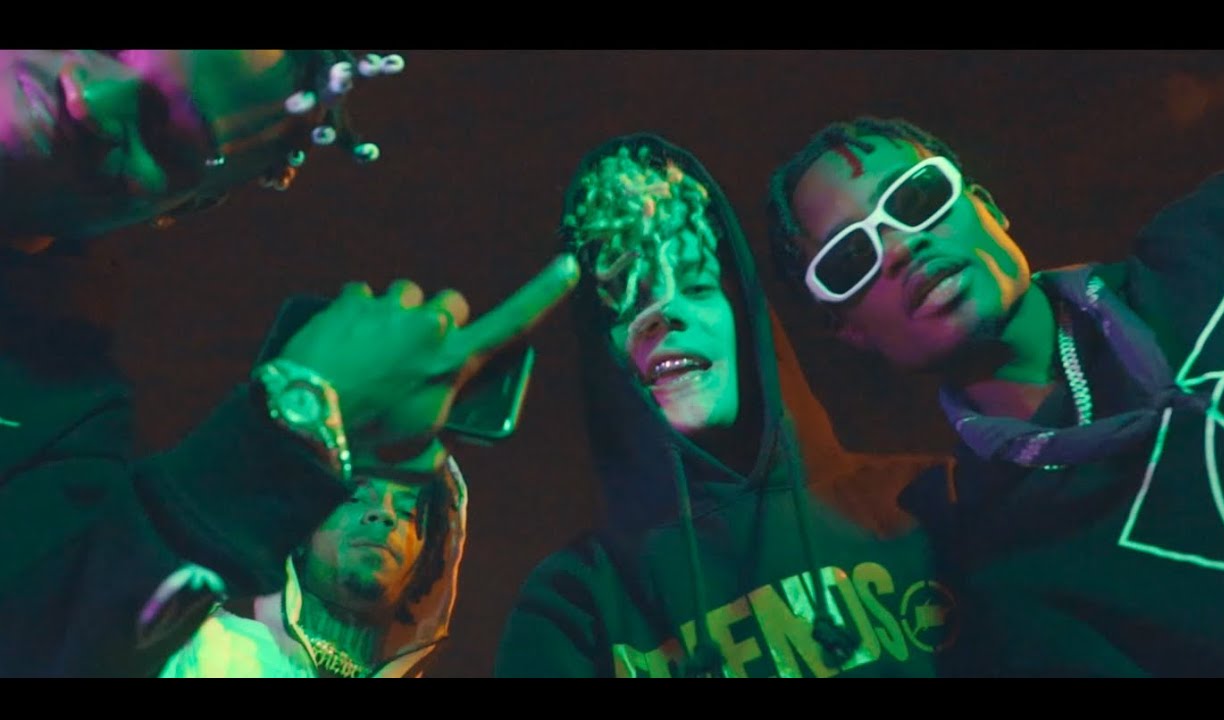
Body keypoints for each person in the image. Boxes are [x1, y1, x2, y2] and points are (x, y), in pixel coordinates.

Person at [0, 49, 579, 677]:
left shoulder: (57, 426)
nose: (90, 99)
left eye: (164, 134)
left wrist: (278, 445)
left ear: (188, 203)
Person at [765, 116, 1224, 676]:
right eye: (849, 258)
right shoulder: (1001, 574)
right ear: (850, 330)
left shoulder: (1222, 243)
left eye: (917, 198)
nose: (901, 248)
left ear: (987, 205)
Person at [495, 133, 958, 678]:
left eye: (696, 287)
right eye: (629, 302)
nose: (664, 315)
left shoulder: (931, 502)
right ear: (603, 355)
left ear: (746, 316)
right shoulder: (575, 606)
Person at [160, 451, 467, 678]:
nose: (384, 515)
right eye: (355, 497)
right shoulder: (216, 651)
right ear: (301, 530)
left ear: (428, 566)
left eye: (408, 512)